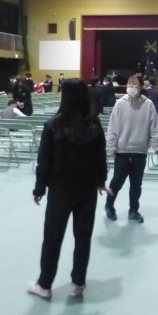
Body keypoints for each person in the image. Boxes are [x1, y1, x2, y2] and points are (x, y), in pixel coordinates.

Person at [28, 79, 112, 300]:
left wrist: (39, 188)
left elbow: (44, 161)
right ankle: (78, 283)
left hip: (60, 190)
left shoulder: (52, 126)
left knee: (52, 237)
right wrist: (101, 181)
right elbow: (100, 157)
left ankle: (44, 284)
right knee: (83, 237)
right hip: (87, 190)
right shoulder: (94, 125)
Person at [104, 75, 158, 224]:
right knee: (116, 182)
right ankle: (109, 206)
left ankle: (133, 210)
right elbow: (112, 127)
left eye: (134, 84)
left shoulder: (148, 104)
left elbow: (154, 126)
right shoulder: (120, 104)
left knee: (136, 185)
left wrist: (156, 145)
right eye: (129, 84)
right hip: (122, 151)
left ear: (141, 87)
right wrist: (111, 146)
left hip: (139, 151)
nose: (131, 87)